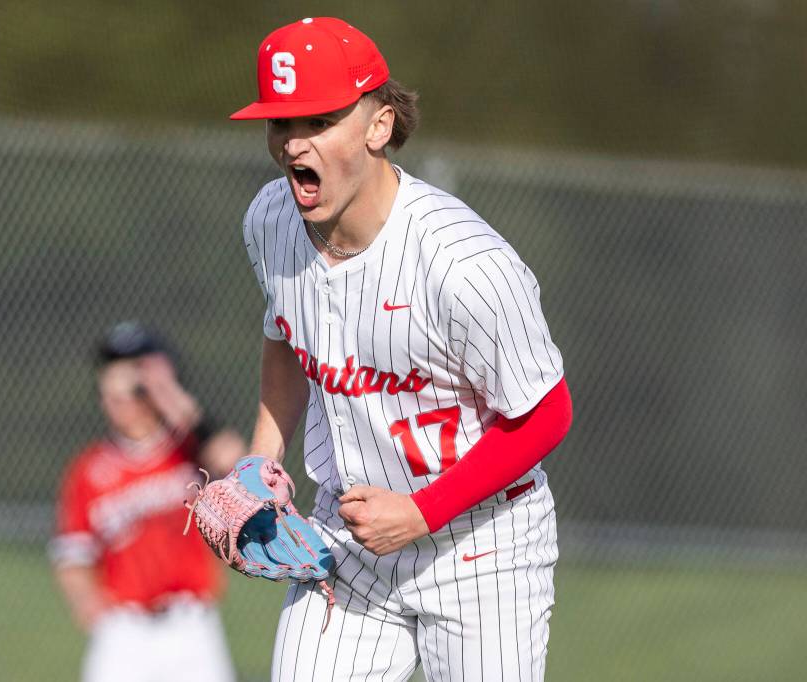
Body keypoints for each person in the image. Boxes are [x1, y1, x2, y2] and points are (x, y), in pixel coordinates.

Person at [230, 17, 574, 682]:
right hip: (350, 545)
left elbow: (547, 413)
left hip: (481, 549)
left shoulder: (462, 263)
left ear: (379, 125)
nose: (294, 142)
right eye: (280, 124)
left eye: (319, 120)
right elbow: (286, 337)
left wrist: (420, 513)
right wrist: (261, 458)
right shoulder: (271, 221)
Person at [49, 321, 246, 682]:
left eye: (137, 380)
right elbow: (72, 553)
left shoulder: (189, 447)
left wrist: (180, 405)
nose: (124, 391)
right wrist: (90, 608)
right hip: (124, 630)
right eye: (113, 378)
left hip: (191, 626)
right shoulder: (89, 469)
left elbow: (238, 463)